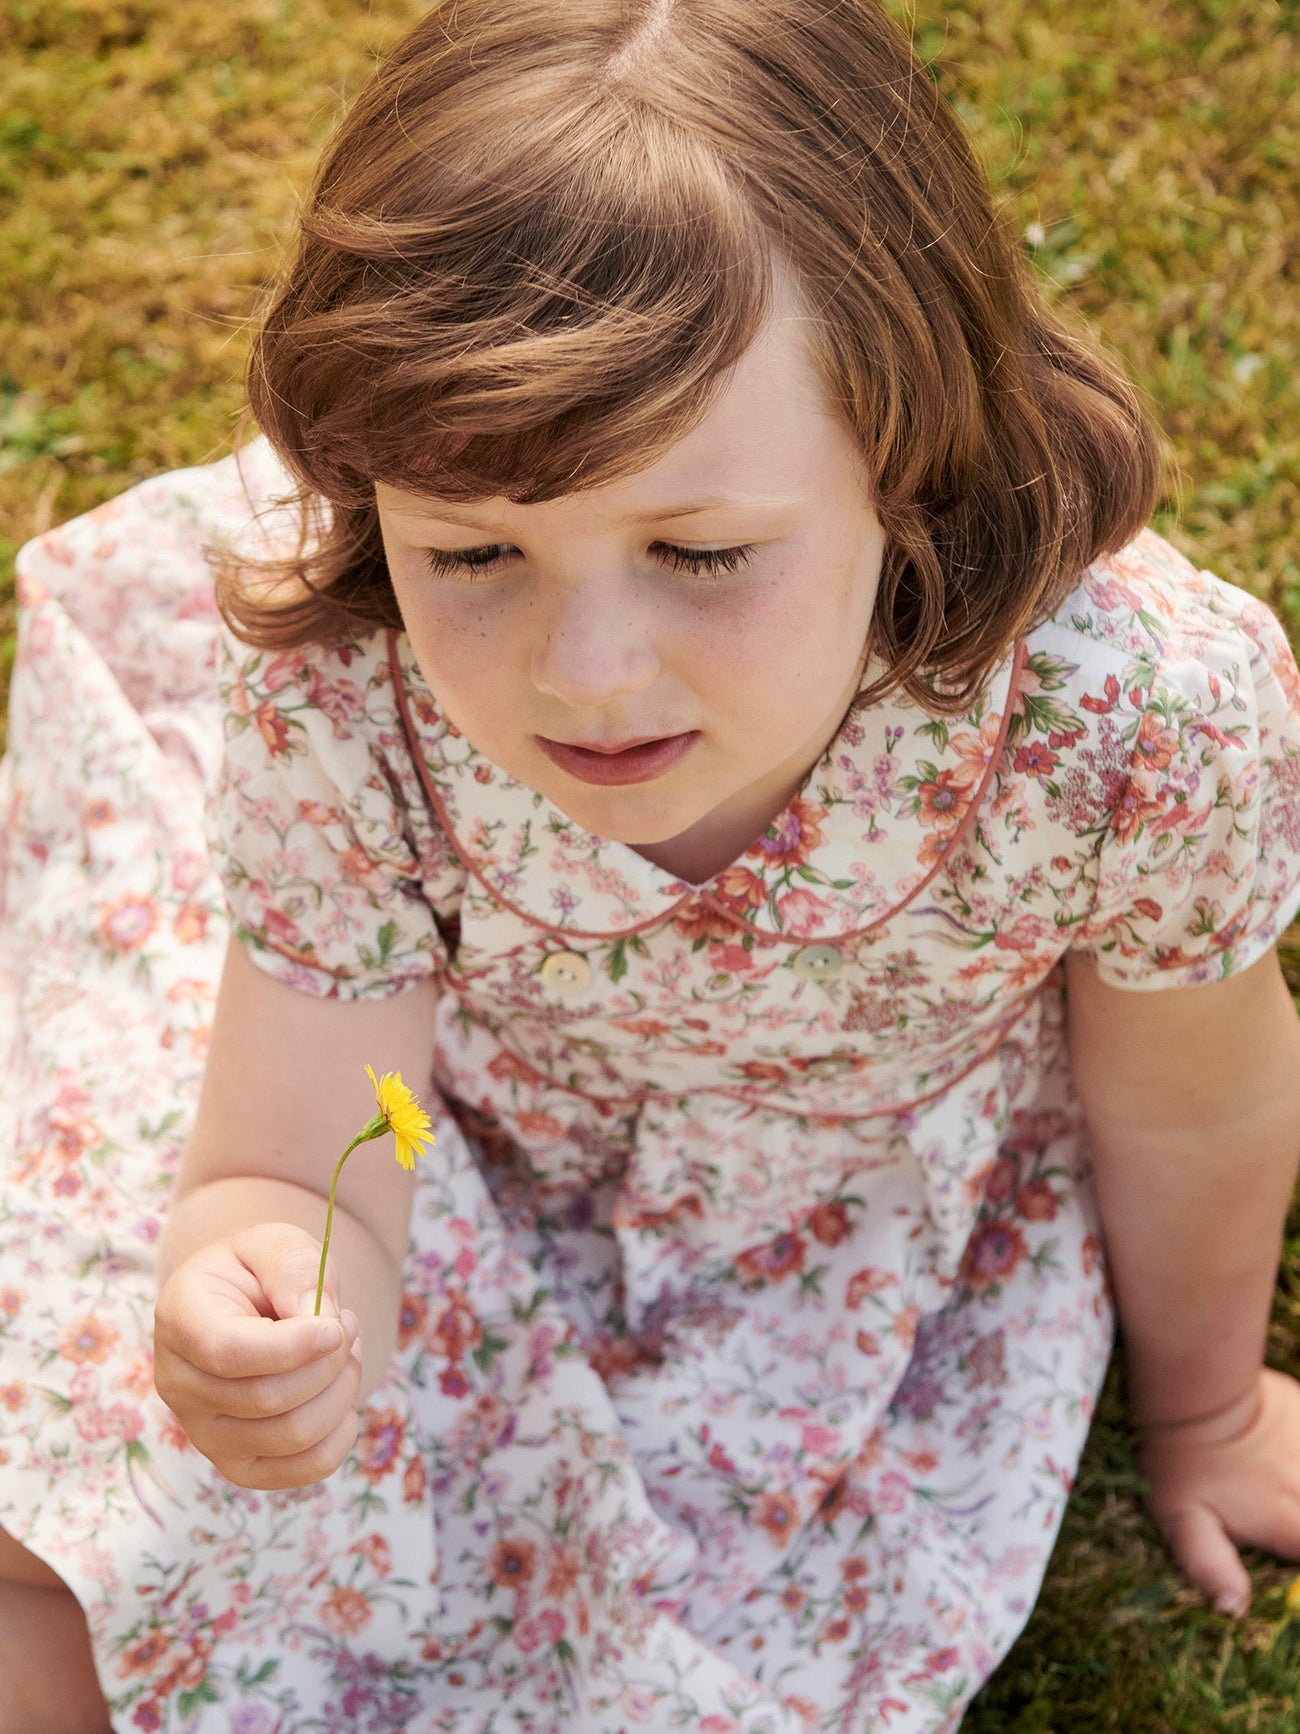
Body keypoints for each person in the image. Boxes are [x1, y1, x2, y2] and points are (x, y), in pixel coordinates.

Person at [2, 1, 1300, 1729]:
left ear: (914, 462)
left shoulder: (1134, 719)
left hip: (821, 1224)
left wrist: (1202, 1407)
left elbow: (1192, 1100)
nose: (583, 670)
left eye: (697, 550)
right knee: (83, 1552)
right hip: (442, 1128)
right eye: (473, 546)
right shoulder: (348, 680)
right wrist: (262, 1278)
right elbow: (290, 1131)